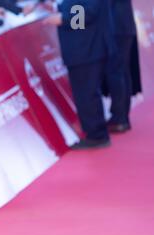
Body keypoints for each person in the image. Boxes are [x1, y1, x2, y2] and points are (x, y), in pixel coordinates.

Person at [44, 0, 115, 150]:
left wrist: (63, 18)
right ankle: (95, 133)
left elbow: (88, 13)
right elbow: (78, 8)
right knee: (85, 92)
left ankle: (97, 135)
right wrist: (59, 8)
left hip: (85, 49)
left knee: (87, 93)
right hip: (83, 48)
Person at [105, 0, 138, 133]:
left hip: (116, 26)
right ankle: (122, 116)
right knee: (122, 71)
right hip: (124, 25)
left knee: (115, 72)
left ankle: (119, 117)